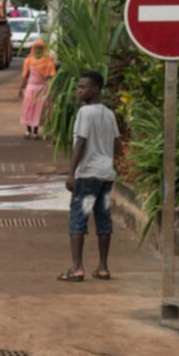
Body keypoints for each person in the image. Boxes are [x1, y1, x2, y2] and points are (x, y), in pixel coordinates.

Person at [60, 71, 120, 282]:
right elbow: (117, 143)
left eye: (83, 87)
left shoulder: (85, 113)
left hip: (87, 176)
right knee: (103, 218)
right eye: (79, 87)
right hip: (105, 175)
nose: (79, 91)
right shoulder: (109, 114)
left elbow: (81, 142)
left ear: (96, 89)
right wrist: (111, 162)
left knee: (79, 219)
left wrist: (71, 173)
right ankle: (103, 267)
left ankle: (77, 268)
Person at [18, 39, 56, 140]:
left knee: (38, 110)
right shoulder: (28, 61)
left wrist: (51, 85)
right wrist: (21, 88)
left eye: (40, 48)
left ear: (43, 49)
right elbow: (25, 76)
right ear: (33, 49)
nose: (38, 50)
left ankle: (35, 131)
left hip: (42, 89)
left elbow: (51, 75)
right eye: (36, 48)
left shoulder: (48, 61)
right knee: (28, 108)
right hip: (30, 88)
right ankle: (28, 130)